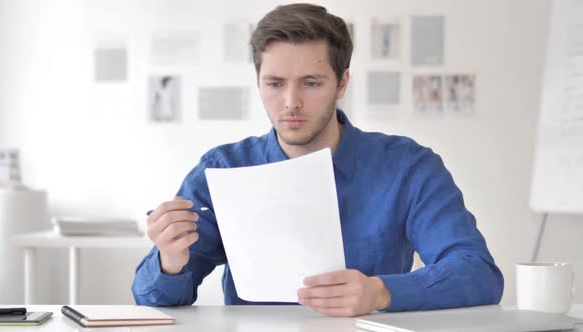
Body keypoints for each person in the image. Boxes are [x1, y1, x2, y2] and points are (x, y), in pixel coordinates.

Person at [132, 3, 503, 317]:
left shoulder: (408, 167)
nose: (291, 101)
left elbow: (478, 273)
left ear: (342, 84)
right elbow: (154, 298)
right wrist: (169, 259)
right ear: (258, 81)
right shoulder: (224, 169)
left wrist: (381, 292)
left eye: (310, 83)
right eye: (275, 83)